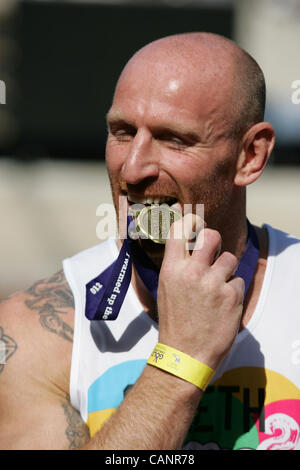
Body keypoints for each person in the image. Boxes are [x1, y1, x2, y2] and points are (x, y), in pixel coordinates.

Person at [0, 32, 299, 451]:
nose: (134, 168)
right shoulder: (36, 330)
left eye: (174, 139)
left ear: (250, 155)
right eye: (122, 132)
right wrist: (179, 363)